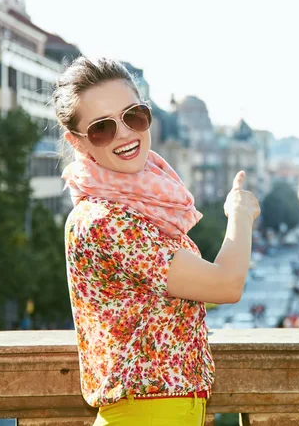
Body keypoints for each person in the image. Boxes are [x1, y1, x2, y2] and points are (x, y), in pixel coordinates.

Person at [55, 57, 260, 425]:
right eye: (102, 128)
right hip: (147, 414)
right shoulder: (108, 221)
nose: (124, 134)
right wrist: (240, 215)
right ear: (77, 142)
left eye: (133, 116)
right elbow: (226, 284)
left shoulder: (129, 205)